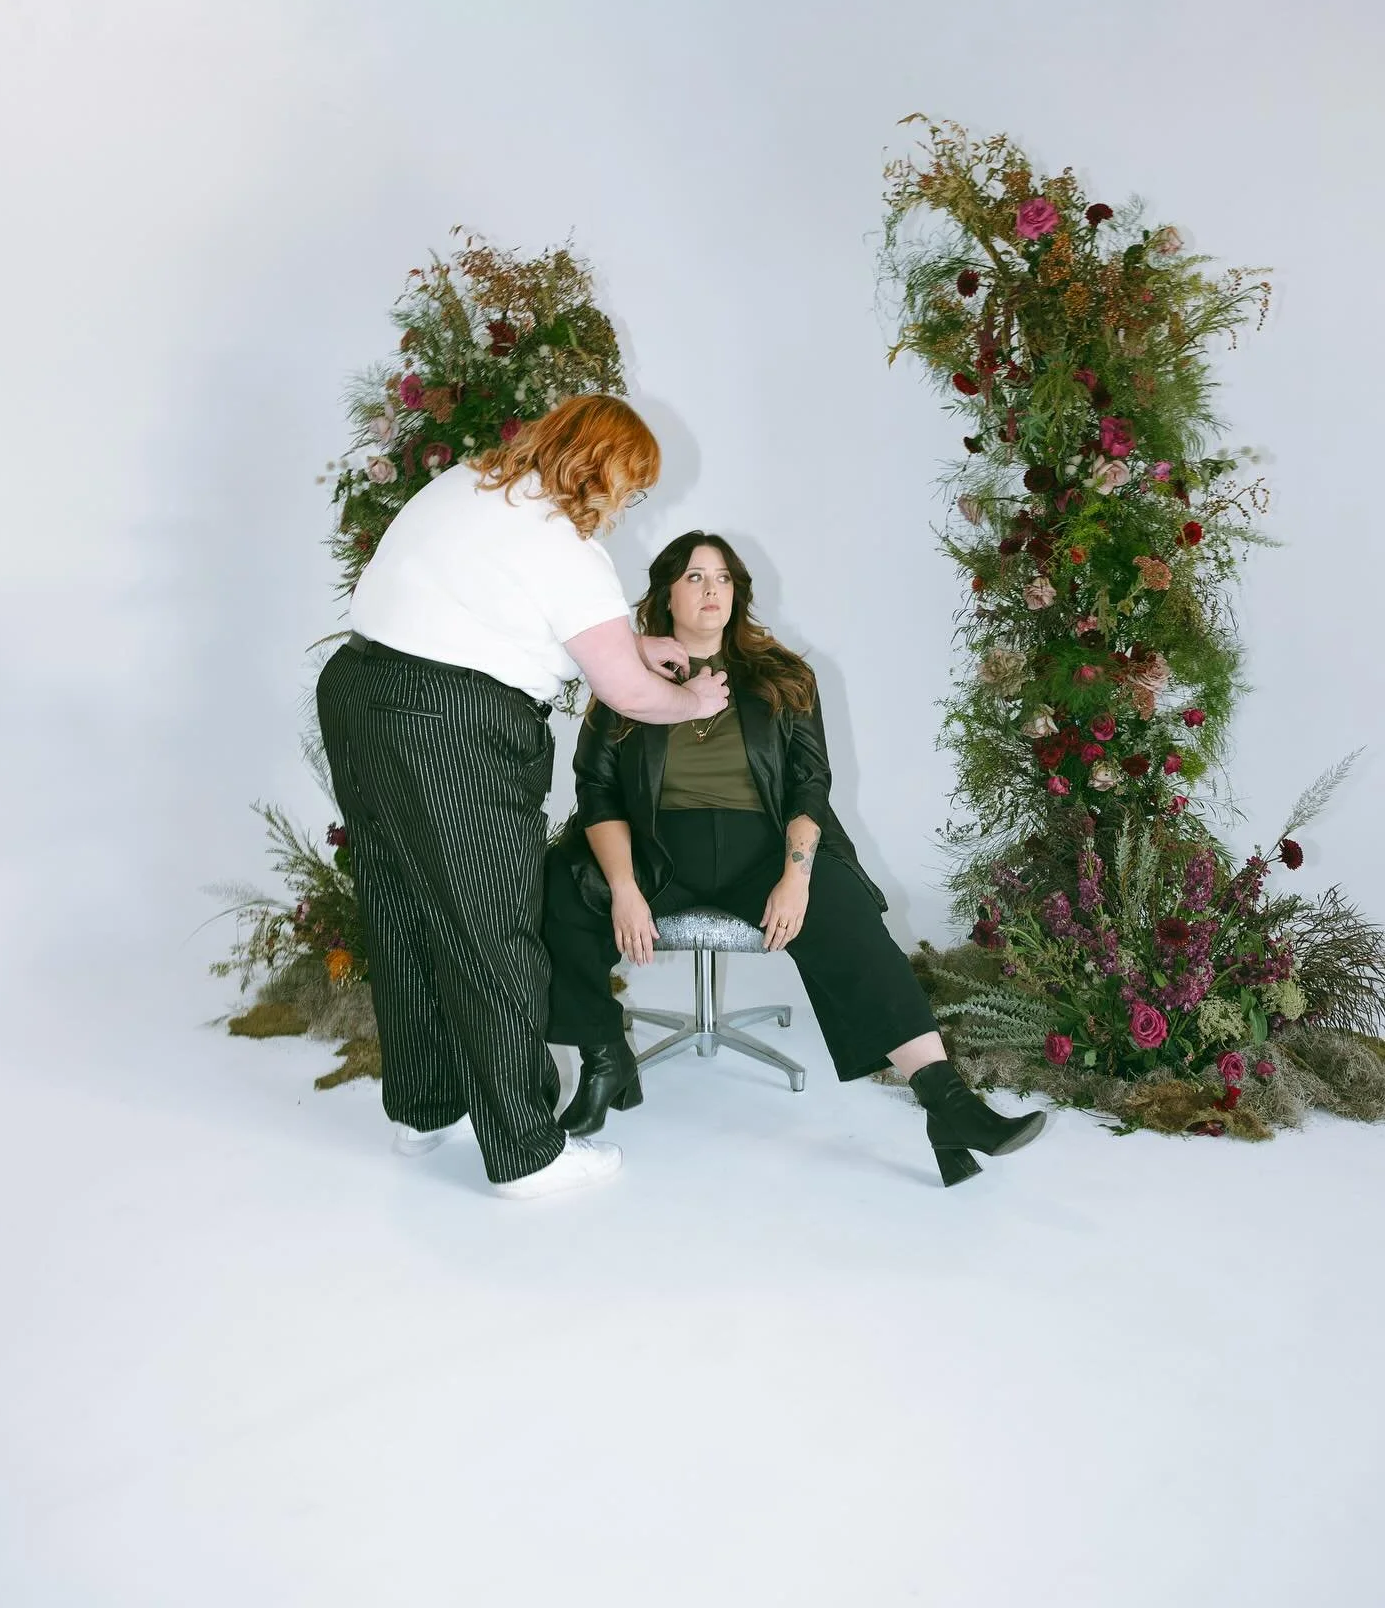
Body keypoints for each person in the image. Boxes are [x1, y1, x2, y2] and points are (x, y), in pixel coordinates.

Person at [315, 397, 725, 1200]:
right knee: (492, 932)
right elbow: (627, 694)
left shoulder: (470, 486)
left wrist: (636, 644)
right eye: (630, 487)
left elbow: (503, 611)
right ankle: (527, 1151)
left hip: (359, 694)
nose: (624, 506)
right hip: (449, 726)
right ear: (601, 467)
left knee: (401, 908)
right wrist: (694, 702)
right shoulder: (565, 547)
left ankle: (425, 1108)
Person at [544, 532, 1046, 1187]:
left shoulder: (783, 676)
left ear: (739, 591)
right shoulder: (628, 677)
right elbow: (598, 790)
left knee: (850, 917)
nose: (711, 591)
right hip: (657, 853)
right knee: (560, 883)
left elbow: (811, 784)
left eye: (722, 578)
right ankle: (604, 1051)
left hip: (763, 850)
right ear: (666, 592)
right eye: (694, 577)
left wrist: (796, 875)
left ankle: (948, 1106)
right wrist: (624, 887)